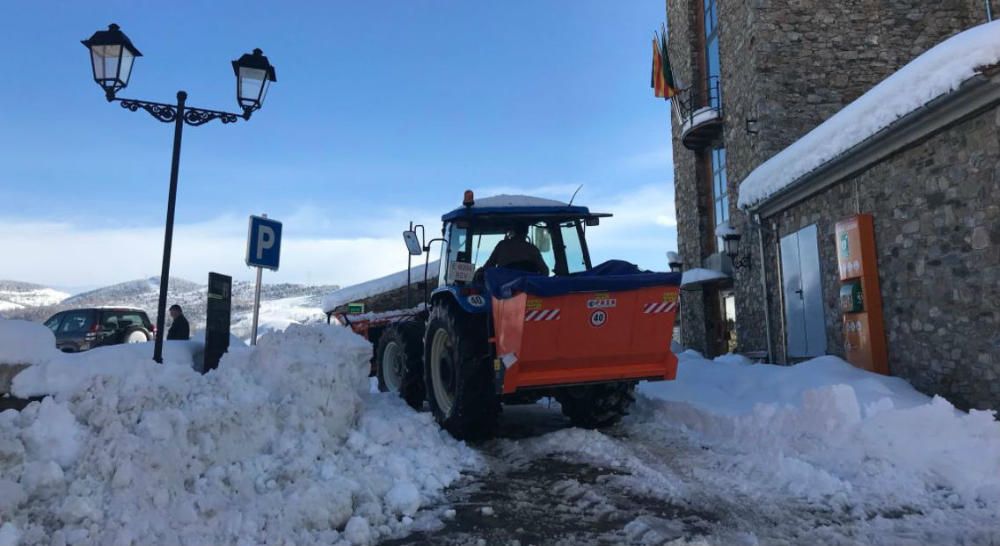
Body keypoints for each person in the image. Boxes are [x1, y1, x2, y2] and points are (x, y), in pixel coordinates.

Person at [484, 223, 550, 275]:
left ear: (513, 231)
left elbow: (488, 266)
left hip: (502, 288)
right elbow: (545, 271)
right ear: (526, 232)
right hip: (528, 289)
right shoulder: (532, 249)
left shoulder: (502, 246)